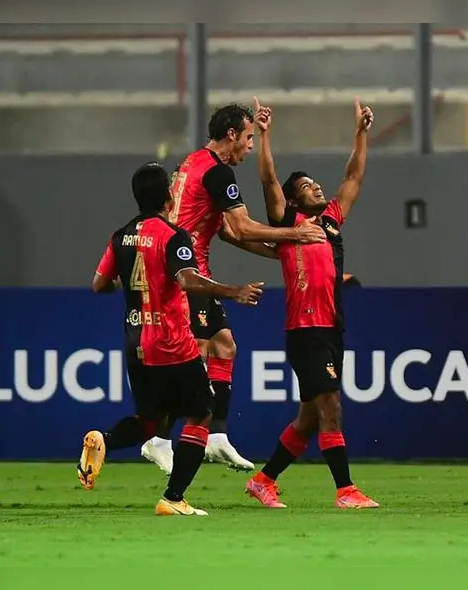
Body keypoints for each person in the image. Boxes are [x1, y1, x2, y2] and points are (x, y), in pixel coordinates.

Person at [140, 104, 328, 475]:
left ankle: (216, 435)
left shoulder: (192, 162)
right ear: (231, 135)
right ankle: (158, 440)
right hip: (184, 272)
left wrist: (279, 251)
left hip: (186, 269)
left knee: (224, 346)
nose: (250, 146)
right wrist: (295, 234)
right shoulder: (217, 170)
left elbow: (227, 231)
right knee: (194, 356)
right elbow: (241, 227)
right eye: (248, 138)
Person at [78, 162, 264, 516]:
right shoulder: (174, 235)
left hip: (136, 344)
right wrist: (233, 291)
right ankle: (174, 498)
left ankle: (105, 441)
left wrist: (131, 287)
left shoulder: (121, 236)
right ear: (168, 196)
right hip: (172, 344)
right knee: (202, 413)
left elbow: (99, 284)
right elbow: (187, 279)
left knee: (153, 420)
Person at [245, 97, 379, 509]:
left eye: (315, 183)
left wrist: (361, 134)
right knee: (330, 405)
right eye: (306, 186)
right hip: (306, 329)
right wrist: (264, 136)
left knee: (307, 418)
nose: (316, 187)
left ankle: (263, 480)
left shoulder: (331, 222)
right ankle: (345, 490)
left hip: (331, 327)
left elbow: (353, 176)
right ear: (293, 201)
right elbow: (268, 180)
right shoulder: (289, 224)